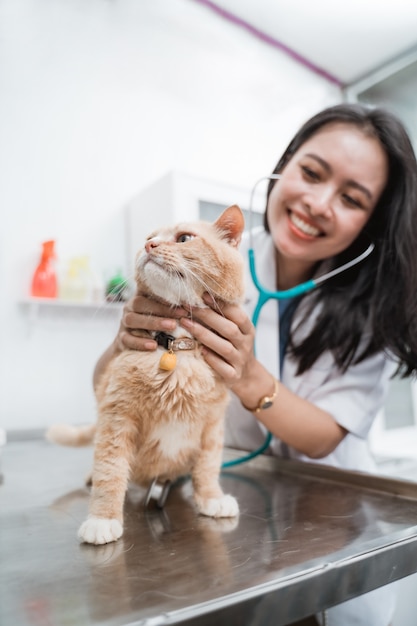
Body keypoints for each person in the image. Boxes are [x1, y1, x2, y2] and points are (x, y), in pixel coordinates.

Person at [94, 103, 417, 626]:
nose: (317, 203)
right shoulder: (207, 257)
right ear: (284, 166)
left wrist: (247, 376)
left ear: (371, 221)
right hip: (230, 509)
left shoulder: (374, 306)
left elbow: (322, 438)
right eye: (311, 173)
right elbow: (116, 386)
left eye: (351, 198)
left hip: (328, 513)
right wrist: (125, 343)